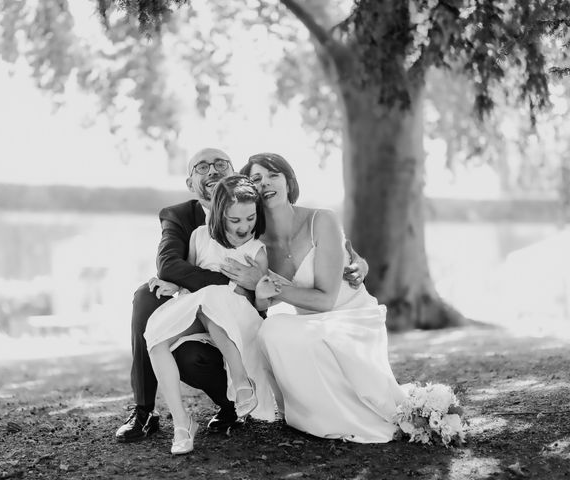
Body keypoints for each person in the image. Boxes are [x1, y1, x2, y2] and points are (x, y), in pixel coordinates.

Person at [233, 152, 407, 443]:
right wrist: (261, 292)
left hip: (350, 315)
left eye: (273, 175)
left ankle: (343, 417)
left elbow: (327, 299)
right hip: (312, 320)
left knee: (291, 332)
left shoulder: (321, 220)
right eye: (256, 179)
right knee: (270, 330)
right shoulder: (257, 244)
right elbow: (264, 304)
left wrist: (264, 283)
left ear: (288, 181)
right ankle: (306, 415)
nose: (265, 183)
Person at [115, 148, 260, 443]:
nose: (212, 171)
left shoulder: (254, 211)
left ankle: (235, 402)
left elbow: (289, 253)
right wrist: (229, 284)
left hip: (245, 315)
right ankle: (145, 411)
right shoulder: (181, 217)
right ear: (190, 183)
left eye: (221, 164)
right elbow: (168, 265)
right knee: (147, 297)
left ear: (236, 174)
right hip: (204, 311)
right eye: (201, 167)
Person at [144, 175, 277, 454]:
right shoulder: (198, 237)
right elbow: (190, 283)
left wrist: (262, 291)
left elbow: (261, 308)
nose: (245, 227)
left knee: (212, 298)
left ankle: (242, 379)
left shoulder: (257, 249)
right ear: (219, 215)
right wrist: (175, 284)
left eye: (250, 218)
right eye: (235, 220)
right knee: (157, 339)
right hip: (202, 312)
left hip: (238, 321)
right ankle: (182, 424)